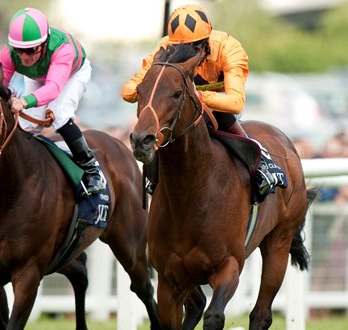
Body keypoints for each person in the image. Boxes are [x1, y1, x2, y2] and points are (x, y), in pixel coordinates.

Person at [122, 4, 284, 197]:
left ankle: (261, 162)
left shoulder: (228, 48)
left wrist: (198, 96)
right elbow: (128, 91)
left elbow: (235, 102)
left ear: (206, 40)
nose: (186, 52)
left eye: (194, 46)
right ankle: (154, 174)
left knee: (215, 112)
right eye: (181, 48)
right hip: (181, 100)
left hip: (220, 104)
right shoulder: (166, 48)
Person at [0, 7, 106, 196]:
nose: (24, 57)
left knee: (59, 115)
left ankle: (92, 169)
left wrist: (23, 101)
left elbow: (53, 88)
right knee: (25, 124)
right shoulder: (8, 53)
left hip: (72, 73)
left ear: (44, 43)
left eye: (30, 50)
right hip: (40, 75)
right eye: (19, 50)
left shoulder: (63, 50)